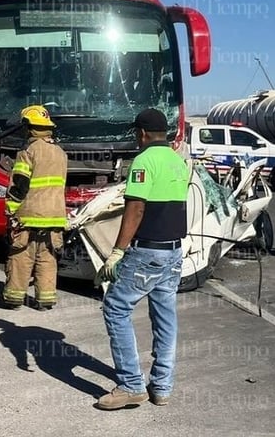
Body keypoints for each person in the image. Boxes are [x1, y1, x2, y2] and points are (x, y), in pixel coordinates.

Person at [96, 108, 191, 410]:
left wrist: (118, 251)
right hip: (174, 251)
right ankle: (161, 387)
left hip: (147, 251)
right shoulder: (177, 161)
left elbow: (135, 209)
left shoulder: (143, 161)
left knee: (116, 307)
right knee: (165, 316)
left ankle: (131, 385)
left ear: (142, 134)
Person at [3, 105, 68, 310]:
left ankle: (14, 298)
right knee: (47, 259)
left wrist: (10, 209)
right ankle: (45, 300)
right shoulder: (60, 153)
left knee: (21, 257)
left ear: (29, 128)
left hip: (29, 217)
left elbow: (20, 185)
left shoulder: (28, 152)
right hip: (56, 218)